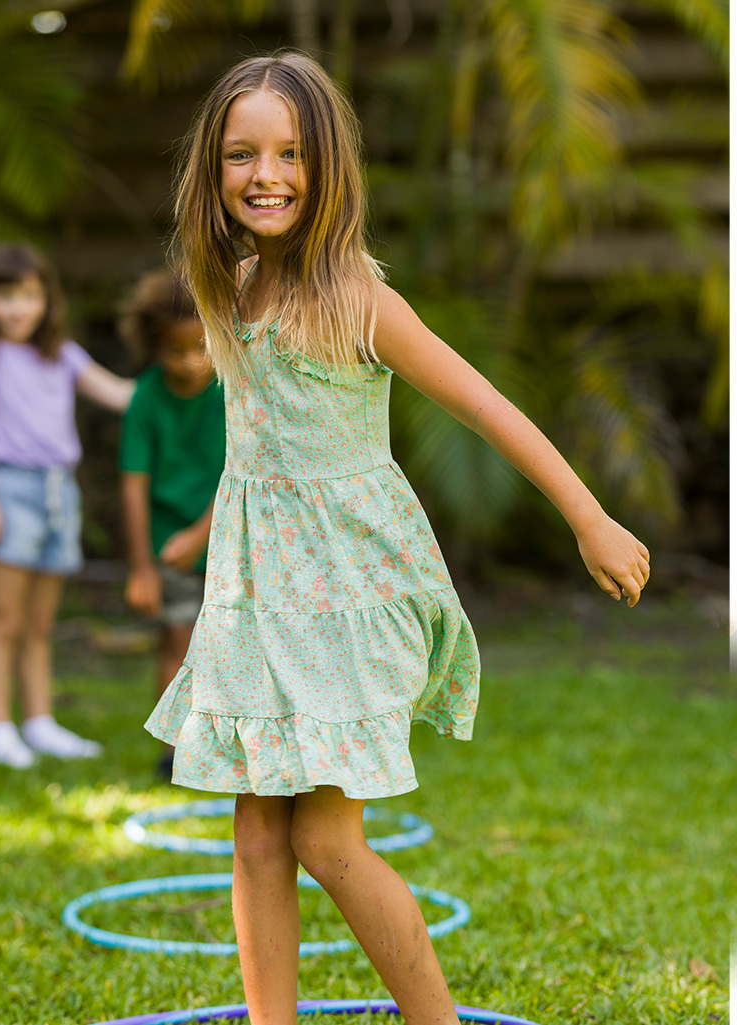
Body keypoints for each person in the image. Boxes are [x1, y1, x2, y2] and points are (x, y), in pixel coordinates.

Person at [144, 51, 651, 1023]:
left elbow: (486, 405)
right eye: (242, 154)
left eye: (290, 153)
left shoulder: (358, 301)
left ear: (326, 167)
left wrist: (588, 516)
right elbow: (264, 446)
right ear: (211, 170)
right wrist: (207, 528)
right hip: (256, 600)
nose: (266, 175)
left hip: (345, 594)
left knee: (328, 841)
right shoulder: (229, 288)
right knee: (255, 834)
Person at [0, 241, 135, 769]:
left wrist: (183, 378)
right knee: (3, 619)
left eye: (29, 295)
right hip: (7, 491)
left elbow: (122, 395)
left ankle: (39, 722)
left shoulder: (61, 353)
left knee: (38, 624)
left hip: (59, 493)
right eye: (5, 295)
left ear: (47, 300)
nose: (17, 308)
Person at [116, 270, 225, 780]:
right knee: (176, 642)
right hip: (169, 548)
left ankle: (233, 747)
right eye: (175, 351)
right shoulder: (145, 398)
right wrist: (141, 566)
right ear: (153, 347)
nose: (190, 362)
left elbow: (244, 469)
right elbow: (133, 484)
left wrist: (202, 534)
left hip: (232, 543)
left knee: (236, 648)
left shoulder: (233, 391)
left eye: (201, 348)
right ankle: (174, 749)